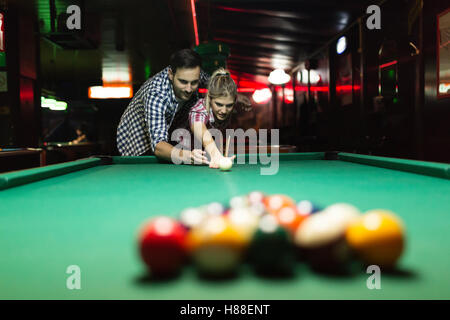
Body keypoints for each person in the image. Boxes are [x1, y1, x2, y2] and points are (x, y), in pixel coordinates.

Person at [116, 49, 210, 164]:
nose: (189, 89)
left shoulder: (196, 75)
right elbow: (158, 146)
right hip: (138, 145)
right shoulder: (156, 94)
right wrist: (188, 156)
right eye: (183, 82)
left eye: (194, 82)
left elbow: (216, 83)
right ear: (171, 74)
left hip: (168, 135)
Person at [185, 68, 237, 168]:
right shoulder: (200, 109)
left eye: (229, 105)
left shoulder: (230, 102)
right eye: (219, 104)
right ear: (209, 98)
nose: (224, 111)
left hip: (208, 160)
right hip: (187, 161)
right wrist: (215, 154)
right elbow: (199, 128)